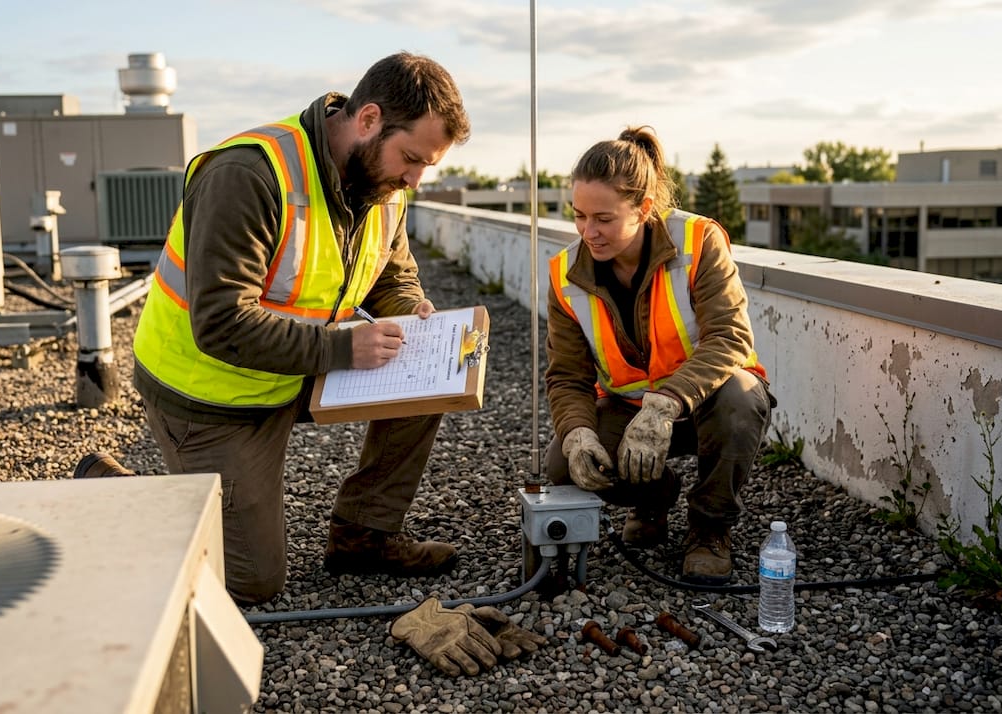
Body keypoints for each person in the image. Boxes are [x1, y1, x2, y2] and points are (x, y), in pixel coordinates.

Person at [86, 52, 472, 605]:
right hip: (208, 392)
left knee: (430, 379)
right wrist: (342, 348)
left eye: (425, 166)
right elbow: (220, 323)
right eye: (411, 158)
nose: (414, 180)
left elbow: (393, 273)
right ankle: (114, 492)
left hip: (295, 370)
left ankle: (364, 536)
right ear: (368, 120)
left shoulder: (383, 186)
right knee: (252, 582)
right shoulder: (249, 174)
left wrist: (412, 311)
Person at [543, 126, 774, 580]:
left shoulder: (697, 241)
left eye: (604, 219)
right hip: (630, 413)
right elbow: (567, 376)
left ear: (644, 208)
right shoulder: (565, 274)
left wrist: (665, 404)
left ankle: (709, 530)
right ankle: (654, 496)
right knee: (560, 464)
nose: (589, 232)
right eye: (579, 216)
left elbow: (730, 336)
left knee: (741, 398)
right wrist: (577, 434)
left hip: (705, 404)